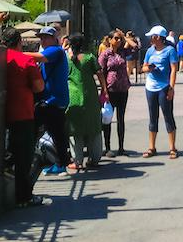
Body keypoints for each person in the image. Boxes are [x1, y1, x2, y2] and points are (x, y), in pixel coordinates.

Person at [0, 14, 46, 207]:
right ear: (19, 42)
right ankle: (23, 197)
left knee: (6, 150)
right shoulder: (25, 61)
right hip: (22, 113)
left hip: (0, 113)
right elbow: (39, 87)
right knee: (24, 158)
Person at [28, 26, 72, 174]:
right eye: (41, 38)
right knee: (56, 132)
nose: (43, 40)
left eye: (46, 37)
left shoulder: (56, 50)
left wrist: (14, 53)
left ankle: (58, 163)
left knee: (41, 129)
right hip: (52, 99)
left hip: (53, 100)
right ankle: (61, 162)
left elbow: (39, 57)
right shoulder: (51, 52)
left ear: (54, 38)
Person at [65, 34, 106, 171]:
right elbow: (100, 73)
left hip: (73, 97)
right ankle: (95, 158)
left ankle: (77, 161)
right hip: (90, 97)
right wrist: (105, 90)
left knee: (75, 130)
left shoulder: (68, 59)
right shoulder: (89, 58)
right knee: (94, 127)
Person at [141, 26, 179, 159]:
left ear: (158, 37)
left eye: (152, 36)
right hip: (150, 87)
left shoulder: (170, 51)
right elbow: (143, 67)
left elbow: (174, 69)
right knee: (153, 117)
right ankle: (151, 147)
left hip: (164, 87)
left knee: (168, 116)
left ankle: (172, 148)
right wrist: (149, 68)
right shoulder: (150, 51)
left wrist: (171, 87)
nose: (150, 39)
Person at [99, 31, 132, 156]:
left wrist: (125, 37)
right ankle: (107, 147)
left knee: (121, 119)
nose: (118, 41)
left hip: (123, 89)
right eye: (116, 38)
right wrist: (104, 90)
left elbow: (135, 47)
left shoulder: (123, 52)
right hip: (110, 90)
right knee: (107, 118)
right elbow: (101, 73)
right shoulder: (105, 54)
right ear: (110, 39)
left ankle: (121, 147)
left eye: (120, 39)